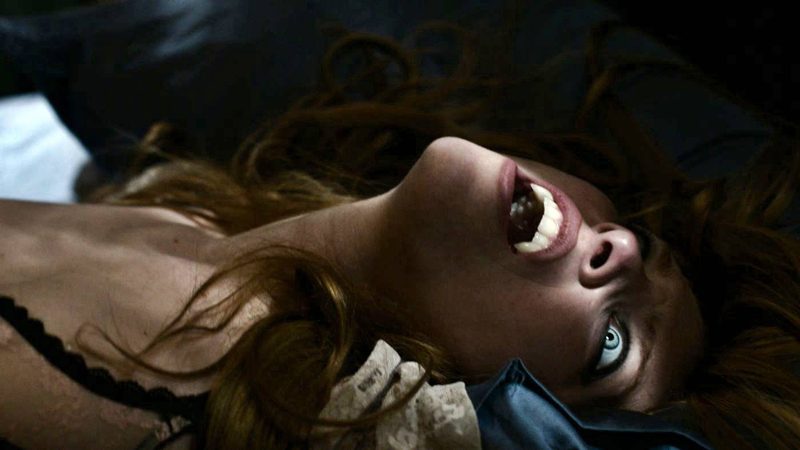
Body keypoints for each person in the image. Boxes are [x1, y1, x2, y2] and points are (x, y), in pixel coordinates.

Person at [1, 20, 798, 450]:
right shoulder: (212, 219)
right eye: (644, 248)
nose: (619, 247)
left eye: (613, 346)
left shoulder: (126, 412)